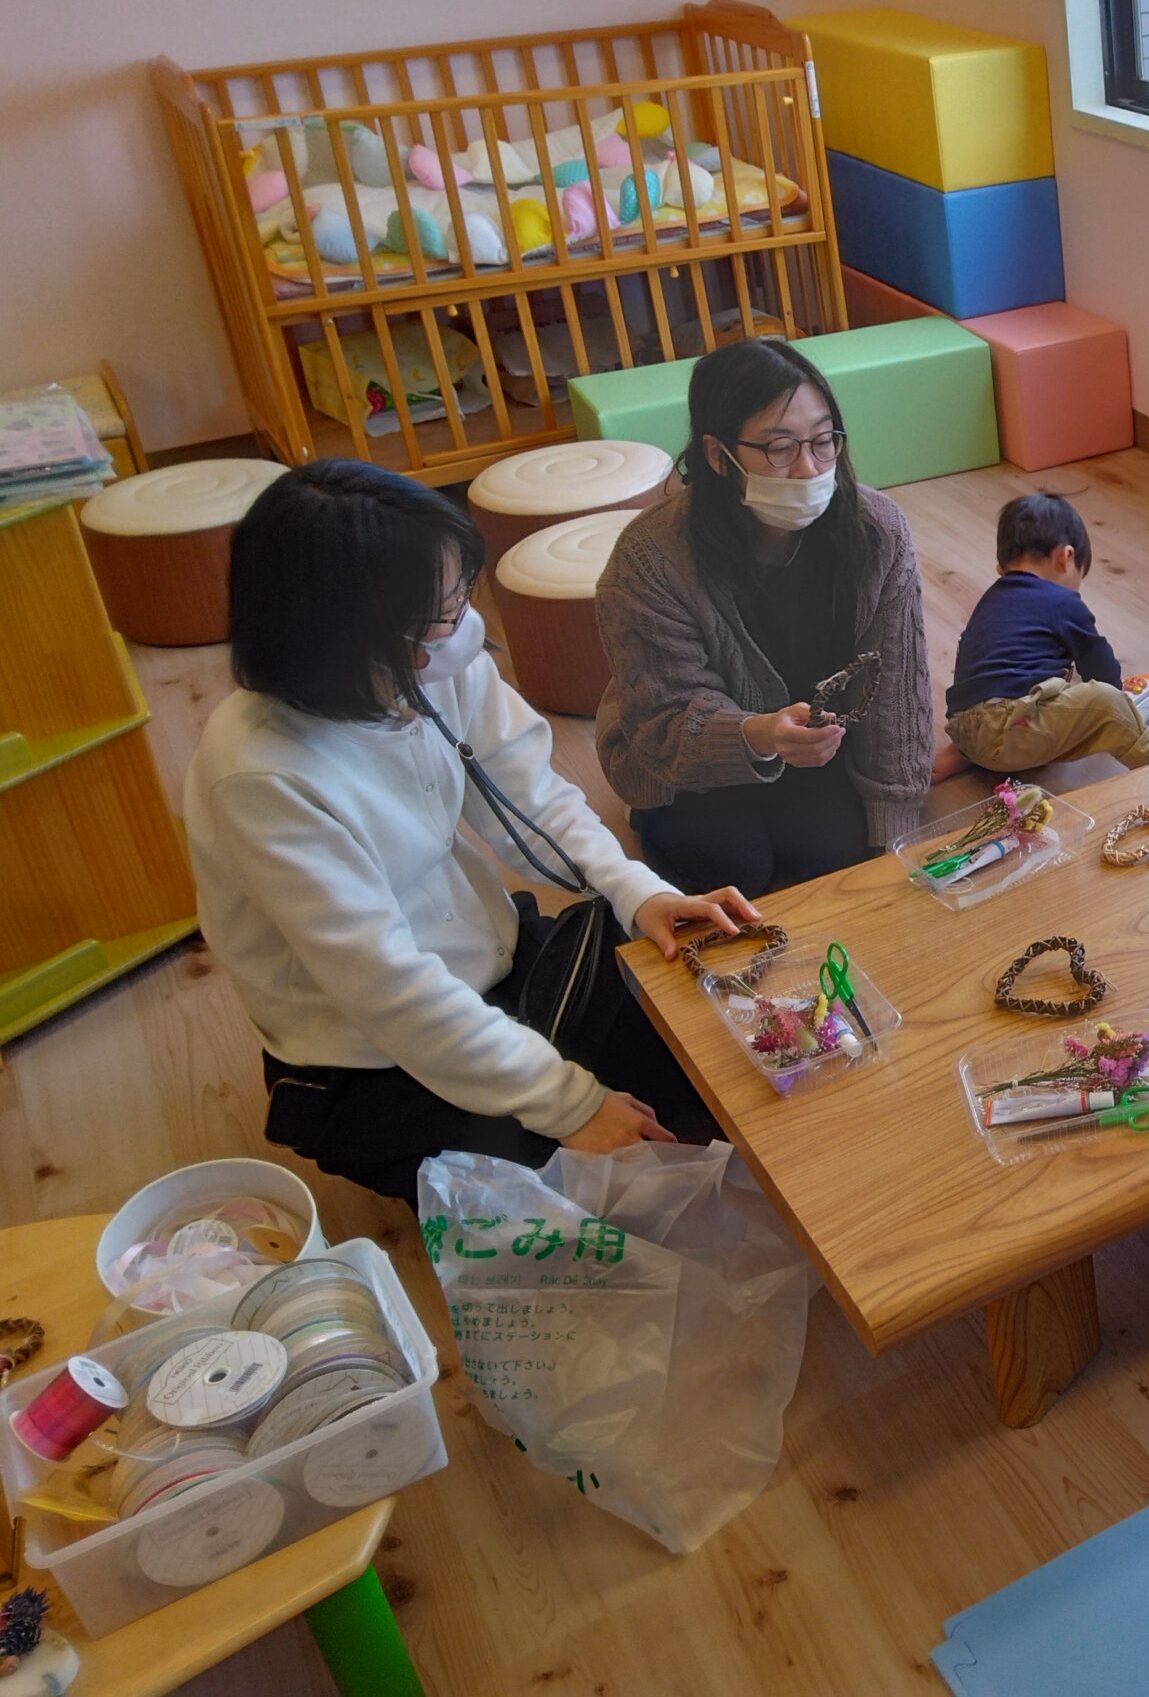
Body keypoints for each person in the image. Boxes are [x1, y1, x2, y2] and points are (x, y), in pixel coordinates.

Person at [186, 462, 750, 1206]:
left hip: (488, 963)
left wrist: (637, 891)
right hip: (366, 1050)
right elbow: (389, 988)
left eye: (458, 593)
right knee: (582, 1194)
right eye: (443, 611)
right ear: (349, 634)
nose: (465, 625)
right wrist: (570, 1105)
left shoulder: (424, 663)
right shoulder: (262, 775)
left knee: (701, 1052)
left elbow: (533, 798)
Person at [595, 338, 934, 897]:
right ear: (716, 456)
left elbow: (895, 693)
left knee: (833, 854)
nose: (808, 469)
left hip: (810, 745)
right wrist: (755, 734)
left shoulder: (877, 531)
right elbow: (663, 719)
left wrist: (892, 830)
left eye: (823, 442)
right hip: (689, 758)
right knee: (731, 864)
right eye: (780, 448)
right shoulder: (650, 556)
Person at [944, 493, 1149, 775]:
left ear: (1002, 569)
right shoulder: (1062, 602)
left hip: (964, 729)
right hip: (1005, 731)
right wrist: (1119, 700)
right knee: (1107, 703)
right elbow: (1099, 665)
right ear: (1066, 558)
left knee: (1054, 680)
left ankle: (972, 754)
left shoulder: (991, 600)